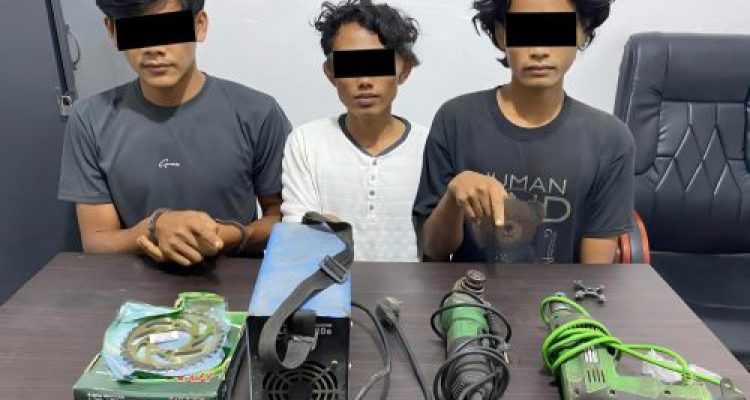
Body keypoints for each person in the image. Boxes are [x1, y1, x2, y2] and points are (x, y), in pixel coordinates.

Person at [58, 0, 291, 266]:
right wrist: (153, 228)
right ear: (112, 31)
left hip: (235, 284)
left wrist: (232, 235)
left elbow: (284, 218)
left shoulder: (258, 112)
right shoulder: (90, 119)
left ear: (199, 25)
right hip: (133, 286)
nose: (153, 48)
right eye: (136, 31)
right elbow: (97, 240)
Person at [413, 0, 634, 264]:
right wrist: (453, 197)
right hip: (469, 290)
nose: (539, 50)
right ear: (501, 34)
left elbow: (595, 276)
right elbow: (433, 250)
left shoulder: (610, 140)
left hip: (562, 292)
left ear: (582, 31)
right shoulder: (456, 120)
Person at [281, 0, 427, 261]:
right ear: (330, 73)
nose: (364, 81)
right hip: (329, 284)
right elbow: (297, 236)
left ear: (404, 70)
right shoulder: (305, 142)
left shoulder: (430, 146)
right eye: (351, 65)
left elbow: (442, 243)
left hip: (416, 287)